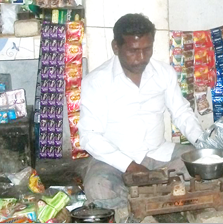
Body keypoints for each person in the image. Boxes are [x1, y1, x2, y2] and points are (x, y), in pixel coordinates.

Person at [79, 13, 204, 220]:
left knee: (198, 165)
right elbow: (89, 136)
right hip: (114, 162)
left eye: (147, 49)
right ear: (116, 47)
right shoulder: (97, 82)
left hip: (158, 156)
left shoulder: (163, 73)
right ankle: (155, 203)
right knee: (98, 187)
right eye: (134, 51)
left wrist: (204, 145)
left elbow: (181, 112)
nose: (141, 57)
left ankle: (138, 205)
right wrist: (130, 166)